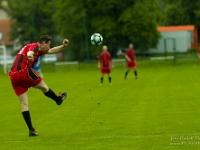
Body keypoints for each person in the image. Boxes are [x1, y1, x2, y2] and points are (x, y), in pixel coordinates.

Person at [9, 35, 69, 136]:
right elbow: (30, 52)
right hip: (24, 72)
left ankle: (31, 130)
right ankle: (58, 100)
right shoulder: (35, 47)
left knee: (24, 104)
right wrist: (30, 56)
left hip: (13, 76)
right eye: (48, 44)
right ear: (43, 43)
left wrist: (63, 46)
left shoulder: (38, 48)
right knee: (44, 86)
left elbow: (52, 51)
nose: (49, 47)